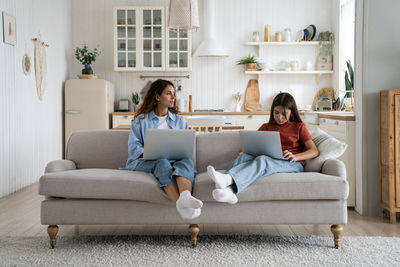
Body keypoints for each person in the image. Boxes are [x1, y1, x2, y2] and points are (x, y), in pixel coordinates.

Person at [207, 92, 319, 204]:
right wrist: (243, 151)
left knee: (263, 160)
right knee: (244, 157)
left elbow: (314, 150)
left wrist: (296, 156)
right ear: (272, 111)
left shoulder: (299, 127)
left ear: (292, 112)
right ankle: (229, 191)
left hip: (292, 163)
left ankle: (228, 180)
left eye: (284, 114)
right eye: (276, 113)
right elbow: (251, 144)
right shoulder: (266, 127)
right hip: (272, 159)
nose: (280, 117)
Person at [122, 79, 203, 219]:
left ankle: (185, 197)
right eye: (168, 93)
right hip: (146, 162)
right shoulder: (141, 120)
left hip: (175, 160)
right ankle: (180, 205)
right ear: (157, 96)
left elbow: (186, 145)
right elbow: (133, 148)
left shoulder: (180, 121)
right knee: (162, 162)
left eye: (174, 94)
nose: (173, 97)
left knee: (187, 161)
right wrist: (149, 152)